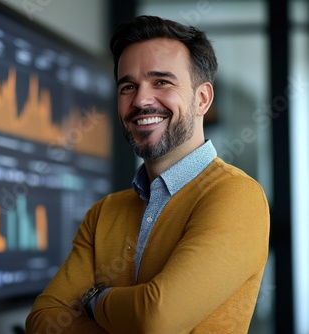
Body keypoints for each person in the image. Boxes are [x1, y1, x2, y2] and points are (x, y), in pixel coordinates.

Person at [25, 15, 270, 333]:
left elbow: (155, 318)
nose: (140, 100)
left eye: (161, 82)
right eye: (128, 86)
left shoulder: (236, 196)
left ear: (202, 99)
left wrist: (95, 300)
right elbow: (44, 317)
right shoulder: (104, 213)